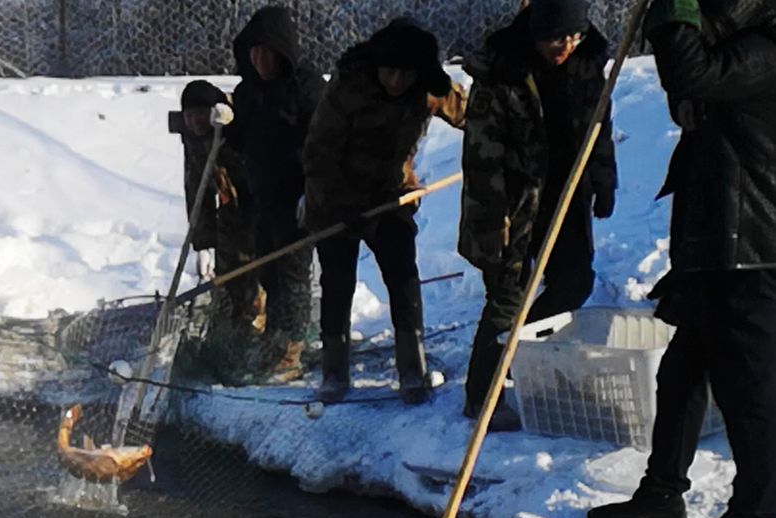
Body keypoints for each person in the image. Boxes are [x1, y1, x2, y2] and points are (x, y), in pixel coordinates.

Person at [586, 0, 776, 518]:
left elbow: (695, 72)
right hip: (716, 236)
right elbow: (687, 89)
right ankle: (662, 490)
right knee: (683, 372)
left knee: (750, 390)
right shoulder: (745, 46)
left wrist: (677, 4)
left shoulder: (768, 48)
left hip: (754, 245)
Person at [458, 0, 617, 430]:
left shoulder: (587, 65)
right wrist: (491, 220)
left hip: (566, 195)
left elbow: (598, 125)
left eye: (571, 36)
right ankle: (482, 395)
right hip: (512, 203)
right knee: (508, 295)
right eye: (552, 38)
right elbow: (481, 156)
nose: (562, 46)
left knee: (574, 281)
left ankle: (521, 360)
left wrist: (604, 179)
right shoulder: (501, 73)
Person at [303, 18, 466, 405]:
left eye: (404, 74)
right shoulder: (349, 85)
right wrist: (341, 207)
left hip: (392, 194)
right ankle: (333, 370)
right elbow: (318, 152)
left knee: (402, 275)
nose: (394, 81)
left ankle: (412, 367)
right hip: (336, 196)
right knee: (337, 281)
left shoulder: (428, 87)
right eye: (388, 72)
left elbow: (472, 115)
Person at [221, 4, 324, 375]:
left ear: (282, 50)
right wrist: (222, 126)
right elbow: (242, 139)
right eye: (255, 51)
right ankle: (276, 336)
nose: (261, 59)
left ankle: (291, 348)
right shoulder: (248, 92)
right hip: (263, 196)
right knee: (269, 270)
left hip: (298, 196)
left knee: (294, 273)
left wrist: (312, 192)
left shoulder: (307, 87)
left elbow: (323, 142)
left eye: (268, 51)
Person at [172, 79, 261, 383]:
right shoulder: (192, 137)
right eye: (190, 114)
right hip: (230, 210)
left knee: (254, 275)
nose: (195, 120)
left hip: (259, 207)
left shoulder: (234, 127)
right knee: (226, 276)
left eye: (201, 113)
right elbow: (195, 186)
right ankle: (229, 335)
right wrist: (203, 240)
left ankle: (254, 336)